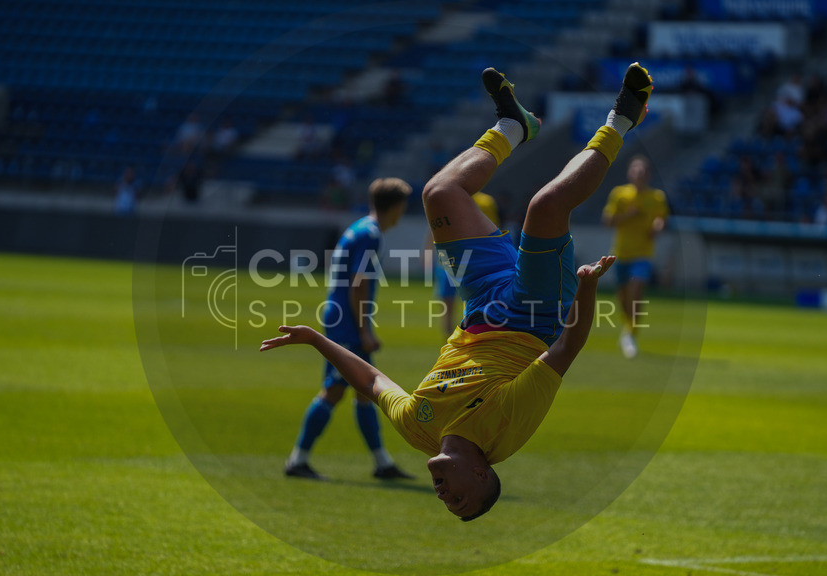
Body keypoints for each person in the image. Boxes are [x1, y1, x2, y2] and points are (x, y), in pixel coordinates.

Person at [262, 63, 653, 519]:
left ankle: (513, 125)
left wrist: (316, 340)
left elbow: (370, 380)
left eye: (447, 505)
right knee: (545, 207)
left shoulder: (417, 429)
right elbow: (568, 346)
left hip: (480, 302)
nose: (444, 497)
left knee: (439, 193)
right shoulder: (503, 432)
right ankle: (622, 119)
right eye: (460, 499)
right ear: (482, 475)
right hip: (534, 314)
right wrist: (585, 290)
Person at [283, 178, 415, 481]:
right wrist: (364, 331)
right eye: (402, 208)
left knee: (365, 391)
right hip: (346, 323)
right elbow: (358, 282)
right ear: (395, 207)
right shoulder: (370, 236)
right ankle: (297, 460)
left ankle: (382, 463)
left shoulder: (359, 228)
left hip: (339, 316)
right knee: (335, 390)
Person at [601, 155, 669, 359]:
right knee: (623, 297)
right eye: (636, 170)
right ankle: (627, 327)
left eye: (643, 171)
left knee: (637, 289)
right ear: (630, 173)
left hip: (643, 253)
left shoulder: (657, 197)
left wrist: (658, 226)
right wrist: (628, 215)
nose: (639, 174)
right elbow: (607, 221)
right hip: (621, 253)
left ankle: (631, 335)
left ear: (648, 174)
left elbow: (661, 218)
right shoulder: (620, 194)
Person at [425, 190, 501, 336]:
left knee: (473, 302)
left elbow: (493, 231)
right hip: (448, 261)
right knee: (447, 303)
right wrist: (427, 251)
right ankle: (448, 340)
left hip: (475, 262)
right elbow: (434, 227)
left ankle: (469, 337)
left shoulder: (486, 202)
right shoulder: (446, 199)